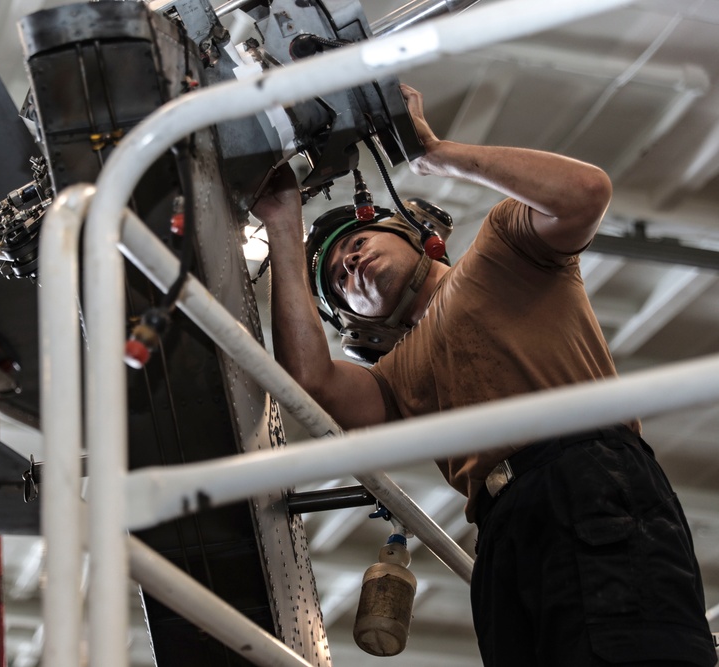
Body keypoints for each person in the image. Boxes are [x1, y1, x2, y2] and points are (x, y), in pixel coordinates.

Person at [251, 84, 717, 667]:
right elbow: (314, 386)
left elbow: (584, 192)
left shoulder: (505, 250)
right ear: (354, 326)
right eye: (338, 282)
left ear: (415, 236)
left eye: (359, 240)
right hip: (502, 527)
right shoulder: (395, 379)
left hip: (586, 477)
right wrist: (282, 225)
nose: (348, 262)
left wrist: (434, 153)